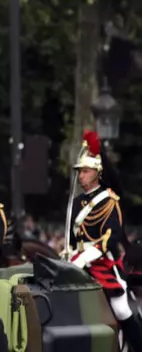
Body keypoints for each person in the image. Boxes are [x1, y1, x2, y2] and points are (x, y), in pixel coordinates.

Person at [66, 130, 142, 350]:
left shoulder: (109, 202)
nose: (81, 176)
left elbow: (108, 239)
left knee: (120, 309)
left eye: (86, 171)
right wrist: (70, 254)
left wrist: (84, 258)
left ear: (97, 173)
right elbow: (73, 237)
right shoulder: (77, 203)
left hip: (103, 262)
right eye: (79, 171)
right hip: (77, 259)